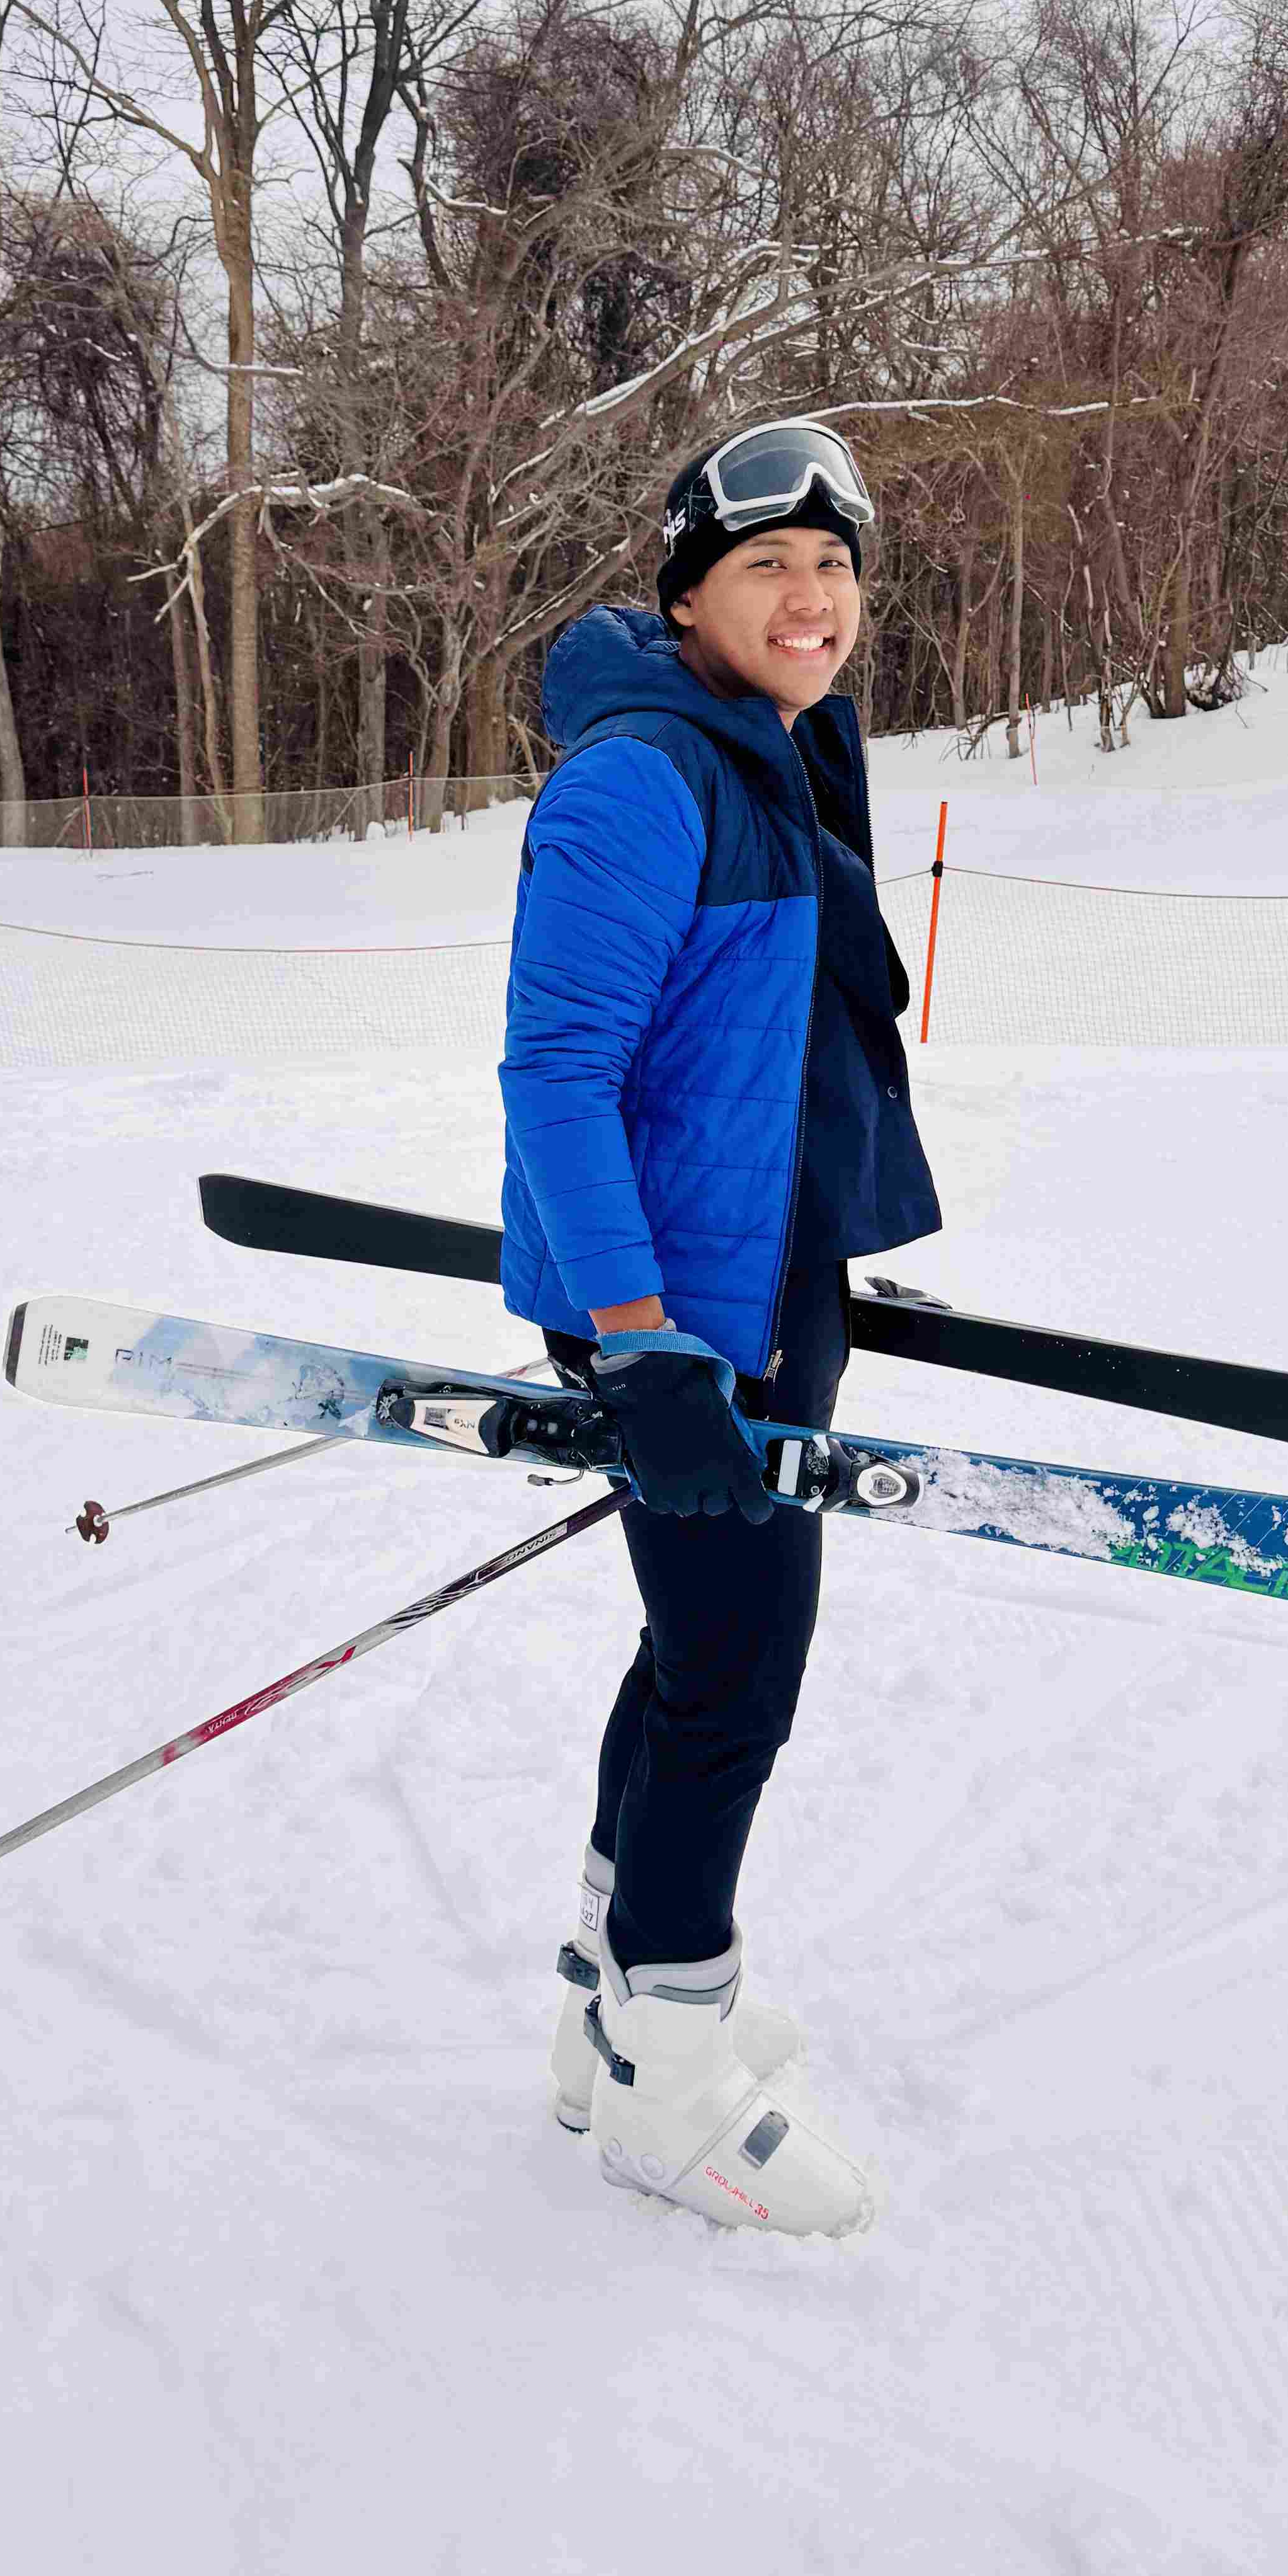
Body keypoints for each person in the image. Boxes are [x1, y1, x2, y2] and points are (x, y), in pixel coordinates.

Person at [497, 420, 942, 2239]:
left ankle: (610, 2000)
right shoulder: (644, 780)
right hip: (683, 1324)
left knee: (691, 1666)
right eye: (767, 567)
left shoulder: (776, 751)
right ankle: (665, 2083)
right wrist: (638, 1337)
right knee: (732, 1691)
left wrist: (820, 1243)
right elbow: (558, 1072)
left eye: (832, 569)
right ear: (686, 593)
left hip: (762, 1284)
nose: (810, 599)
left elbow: (767, 1053)